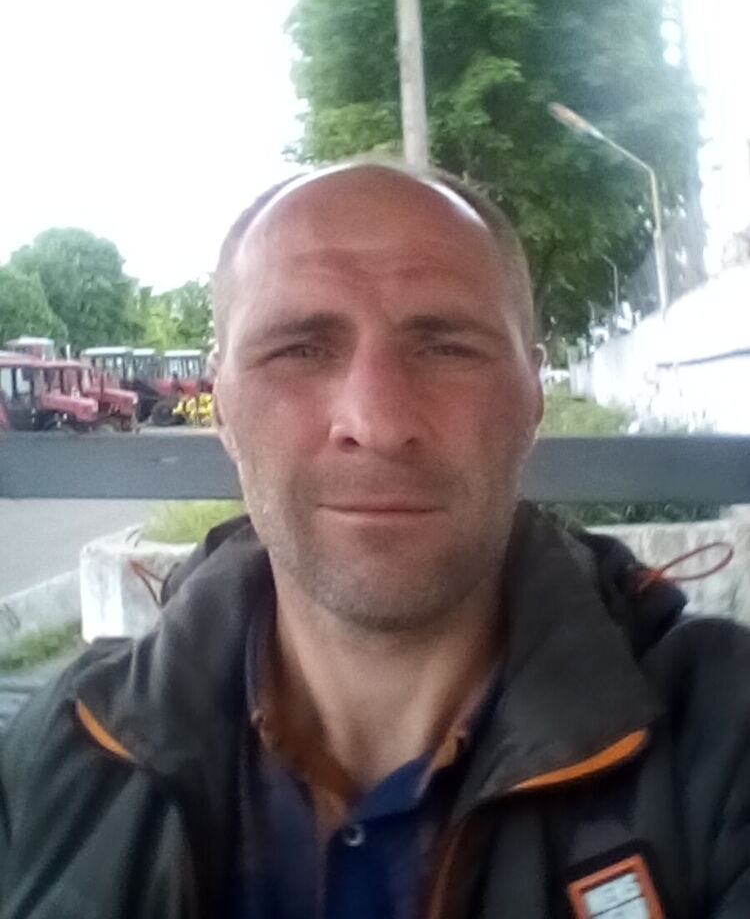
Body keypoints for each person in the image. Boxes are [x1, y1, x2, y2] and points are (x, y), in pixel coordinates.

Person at [2, 162, 749, 919]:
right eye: (300, 349)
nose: (378, 421)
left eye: (447, 347)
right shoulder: (56, 754)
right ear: (221, 404)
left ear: (531, 394)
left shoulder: (724, 733)